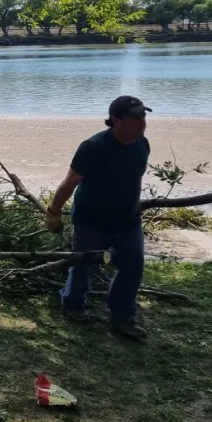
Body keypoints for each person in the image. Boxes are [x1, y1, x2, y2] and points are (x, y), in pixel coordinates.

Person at [45, 95, 152, 341]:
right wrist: (53, 213)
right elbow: (68, 184)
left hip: (128, 220)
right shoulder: (93, 147)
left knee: (133, 266)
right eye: (135, 117)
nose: (142, 122)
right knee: (84, 266)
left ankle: (122, 315)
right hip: (91, 219)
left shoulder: (142, 144)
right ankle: (72, 305)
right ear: (115, 120)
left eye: (143, 116)